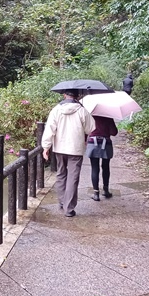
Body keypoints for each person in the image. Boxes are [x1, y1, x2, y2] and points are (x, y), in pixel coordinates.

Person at [41, 89, 96, 217]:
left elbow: (49, 129)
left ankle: (62, 201)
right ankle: (69, 208)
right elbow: (91, 128)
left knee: (61, 174)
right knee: (73, 177)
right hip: (75, 149)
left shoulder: (56, 110)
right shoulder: (82, 110)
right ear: (77, 96)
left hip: (59, 148)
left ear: (65, 95)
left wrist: (46, 147)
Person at [86, 115, 118, 201]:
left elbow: (86, 130)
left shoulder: (90, 116)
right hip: (106, 143)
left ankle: (96, 194)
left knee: (94, 168)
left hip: (93, 143)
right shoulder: (108, 116)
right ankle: (106, 190)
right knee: (106, 167)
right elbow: (114, 132)